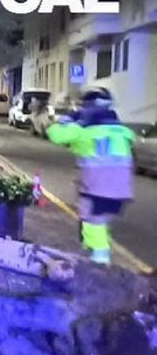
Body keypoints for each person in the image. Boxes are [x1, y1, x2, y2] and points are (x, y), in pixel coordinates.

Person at [45, 87, 134, 264]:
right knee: (101, 226)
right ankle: (96, 257)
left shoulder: (85, 131)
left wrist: (70, 118)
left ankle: (99, 268)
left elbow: (54, 134)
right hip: (119, 191)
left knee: (93, 229)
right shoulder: (121, 131)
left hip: (96, 190)